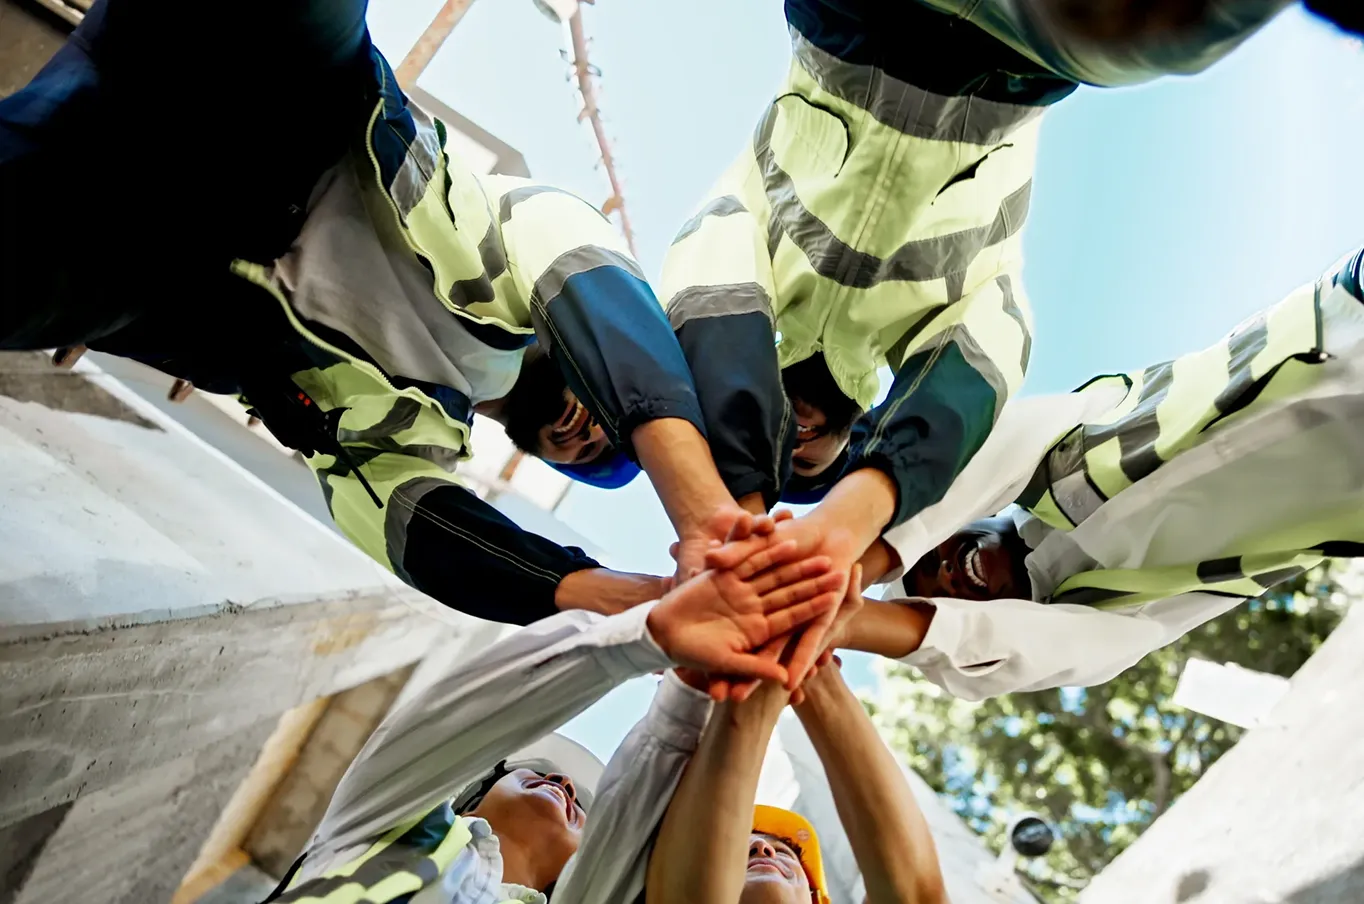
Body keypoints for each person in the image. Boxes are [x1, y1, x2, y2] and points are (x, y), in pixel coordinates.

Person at [0, 0, 766, 629]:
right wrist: (703, 517)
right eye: (609, 424)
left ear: (539, 458)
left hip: (146, 262)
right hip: (292, 101)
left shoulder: (410, 446)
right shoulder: (529, 244)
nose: (589, 435)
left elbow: (413, 531)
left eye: (586, 459)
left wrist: (604, 593)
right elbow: (577, 269)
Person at [646, 0, 1309, 687]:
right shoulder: (946, 317)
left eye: (776, 446)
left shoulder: (742, 241)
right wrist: (851, 525)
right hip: (1020, 59)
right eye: (809, 465)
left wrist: (744, 524)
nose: (793, 442)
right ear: (852, 443)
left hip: (845, 28)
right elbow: (985, 365)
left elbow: (708, 294)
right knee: (1183, 33)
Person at [764, 247, 1364, 700]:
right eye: (934, 592)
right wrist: (849, 620)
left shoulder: (1053, 450)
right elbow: (1015, 651)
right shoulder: (1123, 619)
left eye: (928, 556)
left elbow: (979, 458)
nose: (947, 569)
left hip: (1346, 320)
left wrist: (844, 562)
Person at [261, 532, 847, 903]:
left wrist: (683, 665)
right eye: (532, 772)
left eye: (582, 807)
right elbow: (459, 720)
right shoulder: (389, 829)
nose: (564, 783)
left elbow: (627, 827)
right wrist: (666, 648)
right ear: (465, 802)